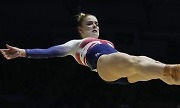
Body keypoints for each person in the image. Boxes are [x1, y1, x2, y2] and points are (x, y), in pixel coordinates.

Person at [0, 12, 180, 85]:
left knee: (151, 66)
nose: (95, 26)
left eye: (97, 23)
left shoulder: (107, 42)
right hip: (104, 65)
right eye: (90, 24)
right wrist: (24, 52)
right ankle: (173, 68)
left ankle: (174, 76)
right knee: (138, 60)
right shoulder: (75, 44)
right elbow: (51, 51)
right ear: (80, 29)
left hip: (121, 73)